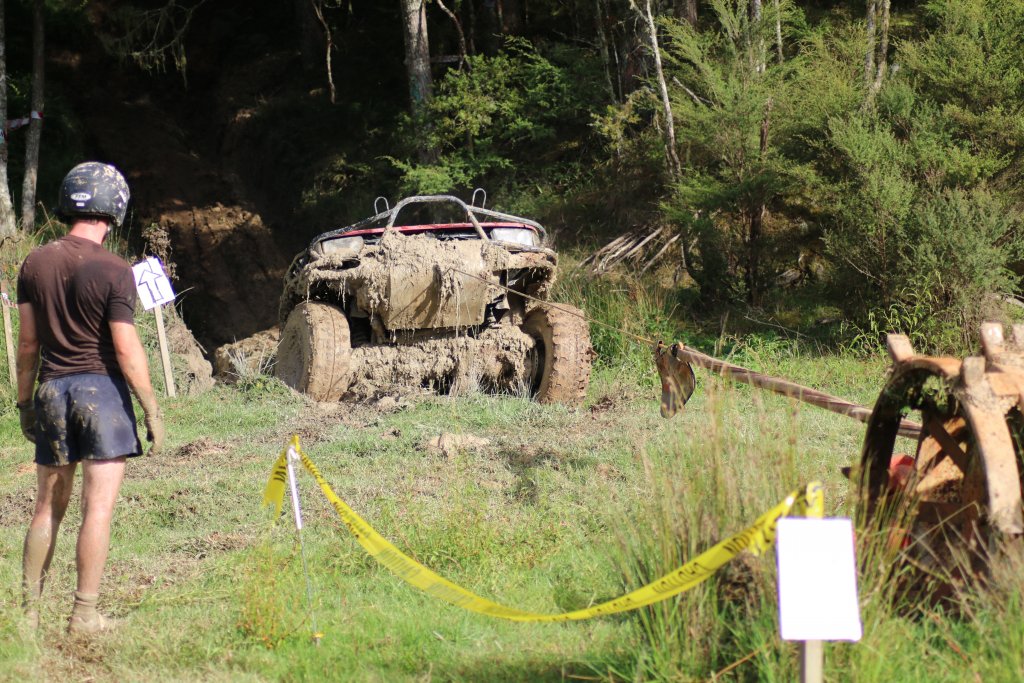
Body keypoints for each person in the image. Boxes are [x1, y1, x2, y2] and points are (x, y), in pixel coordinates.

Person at [16, 161, 166, 635]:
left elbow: (27, 345)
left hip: (52, 390)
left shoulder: (34, 262)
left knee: (46, 508)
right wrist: (152, 410)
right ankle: (84, 614)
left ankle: (28, 617)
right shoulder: (115, 269)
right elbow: (125, 347)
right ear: (114, 209)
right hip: (101, 394)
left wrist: (24, 404)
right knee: (96, 511)